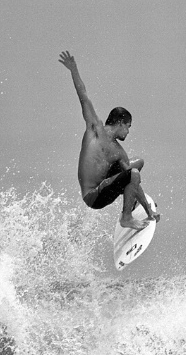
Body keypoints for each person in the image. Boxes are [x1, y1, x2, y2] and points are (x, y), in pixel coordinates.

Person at [59, 51, 160, 231]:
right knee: (133, 173)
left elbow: (131, 176)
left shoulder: (119, 152)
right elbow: (83, 96)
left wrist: (148, 211)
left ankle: (133, 202)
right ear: (120, 123)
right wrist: (73, 69)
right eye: (128, 126)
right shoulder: (95, 129)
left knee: (136, 165)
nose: (128, 131)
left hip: (105, 186)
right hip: (93, 196)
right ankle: (126, 217)